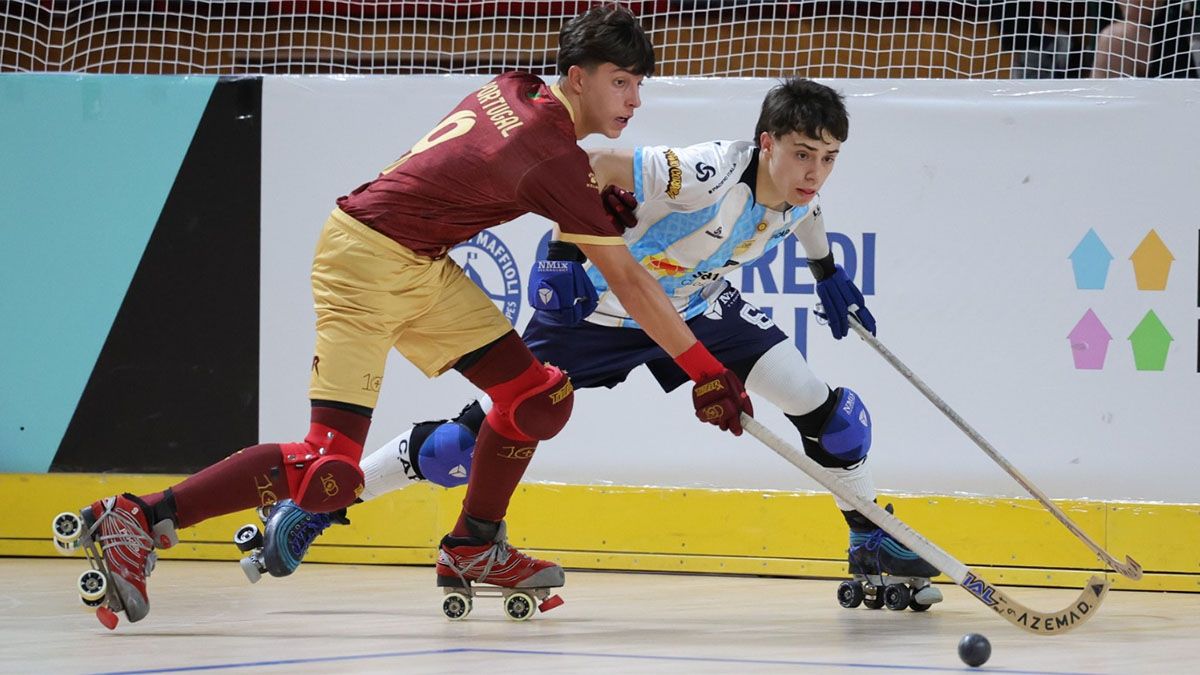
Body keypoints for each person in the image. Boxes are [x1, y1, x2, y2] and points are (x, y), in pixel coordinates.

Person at [52, 4, 753, 629]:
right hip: (363, 260)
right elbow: (629, 279)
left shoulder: (517, 88)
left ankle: (474, 542)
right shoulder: (551, 156)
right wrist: (706, 370)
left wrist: (590, 201)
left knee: (537, 397)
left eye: (639, 84)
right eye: (619, 81)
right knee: (327, 467)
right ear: (577, 76)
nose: (633, 99)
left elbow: (524, 166)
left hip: (418, 263)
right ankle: (140, 517)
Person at [250, 78, 944, 609]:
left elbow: (810, 213)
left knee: (834, 416)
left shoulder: (800, 194)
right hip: (602, 312)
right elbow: (593, 162)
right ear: (765, 143)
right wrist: (561, 254)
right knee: (465, 444)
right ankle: (317, 505)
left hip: (699, 310)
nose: (814, 172)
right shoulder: (703, 170)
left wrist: (827, 273)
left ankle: (870, 535)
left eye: (827, 158)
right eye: (801, 155)